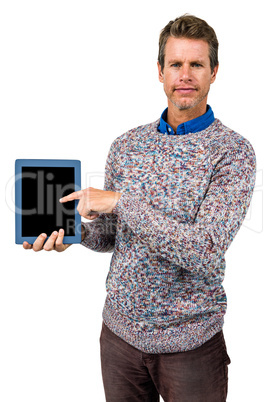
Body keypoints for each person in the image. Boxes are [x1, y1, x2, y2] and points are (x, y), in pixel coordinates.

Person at [23, 14, 256, 402]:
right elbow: (113, 236)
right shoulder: (126, 145)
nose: (185, 75)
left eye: (196, 64)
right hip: (118, 339)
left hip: (191, 345)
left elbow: (203, 249)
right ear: (160, 72)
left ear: (214, 72)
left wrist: (119, 201)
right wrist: (74, 233)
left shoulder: (233, 153)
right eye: (175, 64)